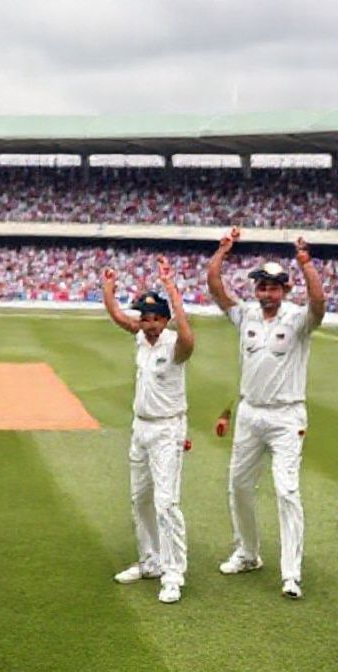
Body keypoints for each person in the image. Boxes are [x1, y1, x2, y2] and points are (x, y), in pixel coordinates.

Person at [207, 229, 325, 599]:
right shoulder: (246, 316)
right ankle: (248, 553)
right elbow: (216, 288)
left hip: (287, 418)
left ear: (285, 291)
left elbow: (319, 305)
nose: (267, 294)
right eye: (262, 287)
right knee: (239, 487)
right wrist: (222, 252)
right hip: (249, 414)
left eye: (274, 288)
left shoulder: (297, 319)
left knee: (287, 490)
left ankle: (291, 574)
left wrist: (306, 266)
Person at [102, 255, 193, 604]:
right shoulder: (142, 337)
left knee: (166, 502)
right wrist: (109, 289)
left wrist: (171, 286)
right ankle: (150, 561)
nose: (149, 324)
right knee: (140, 499)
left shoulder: (175, 345)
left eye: (156, 319)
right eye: (145, 318)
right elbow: (119, 318)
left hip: (168, 430)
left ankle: (173, 573)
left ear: (165, 320)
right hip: (140, 428)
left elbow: (188, 336)